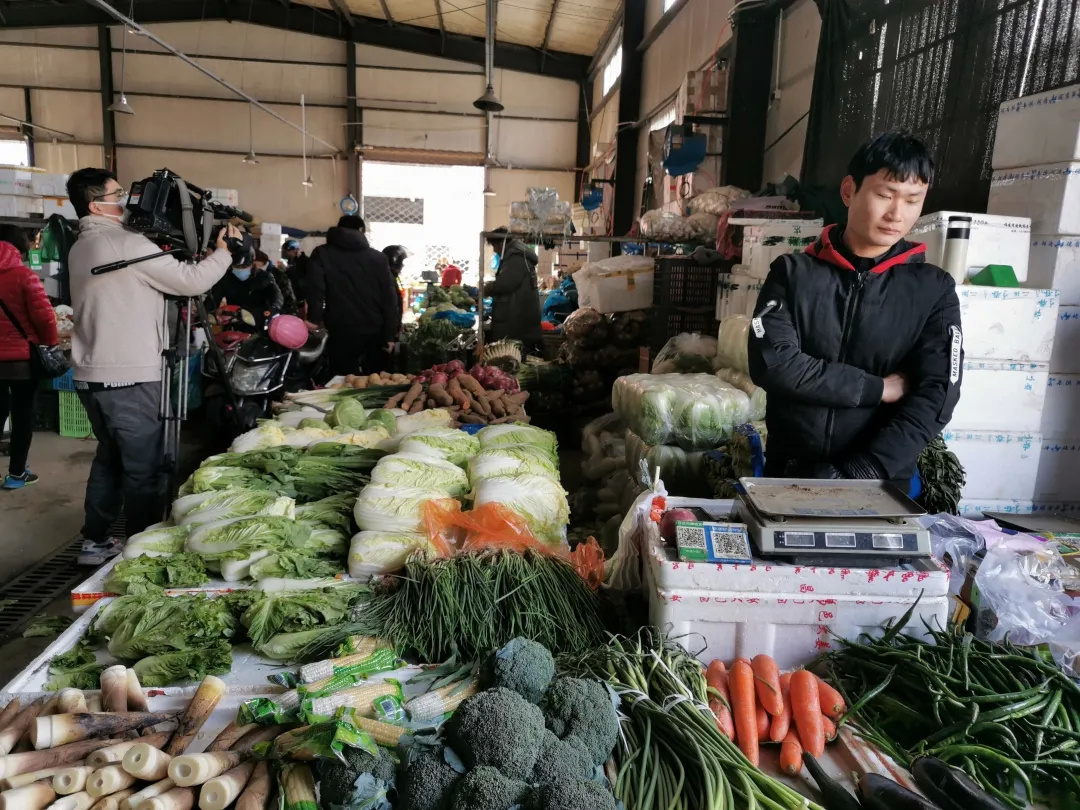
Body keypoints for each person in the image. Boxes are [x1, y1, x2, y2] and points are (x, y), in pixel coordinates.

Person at [747, 131, 963, 494]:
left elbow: (939, 393)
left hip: (881, 484)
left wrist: (862, 469)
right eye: (884, 195)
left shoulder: (933, 290)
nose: (897, 213)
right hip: (790, 475)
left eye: (913, 200)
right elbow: (774, 364)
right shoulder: (792, 273)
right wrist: (877, 388)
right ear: (849, 191)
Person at [66, 168, 239, 565]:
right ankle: (143, 551)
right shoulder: (121, 242)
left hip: (95, 374)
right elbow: (192, 281)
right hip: (127, 375)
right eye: (118, 193)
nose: (126, 199)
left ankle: (96, 541)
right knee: (144, 468)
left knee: (110, 458)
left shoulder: (84, 244)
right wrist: (224, 251)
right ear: (97, 205)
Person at [0, 225, 57, 490]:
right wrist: (50, 343)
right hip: (21, 362)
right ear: (20, 247)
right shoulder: (24, 276)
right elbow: (44, 317)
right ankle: (16, 474)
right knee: (22, 415)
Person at [306, 215, 400, 376]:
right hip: (375, 330)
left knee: (342, 381)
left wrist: (313, 319)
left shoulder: (322, 253)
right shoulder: (378, 258)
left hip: (340, 330)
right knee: (374, 384)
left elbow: (316, 289)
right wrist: (390, 335)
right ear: (361, 230)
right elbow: (390, 299)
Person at [485, 227, 542, 349]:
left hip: (516, 316)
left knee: (511, 353)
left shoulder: (516, 257)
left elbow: (505, 283)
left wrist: (488, 288)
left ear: (501, 243)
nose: (495, 251)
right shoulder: (518, 254)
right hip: (518, 313)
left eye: (495, 247)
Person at [210, 246, 284, 329]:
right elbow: (212, 302)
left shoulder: (264, 277)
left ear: (252, 264)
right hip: (234, 324)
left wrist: (273, 308)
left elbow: (276, 295)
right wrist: (212, 314)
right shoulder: (225, 278)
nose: (241, 270)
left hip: (258, 323)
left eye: (244, 267)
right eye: (237, 267)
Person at [254, 250, 297, 314]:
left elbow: (288, 300)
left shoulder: (278, 276)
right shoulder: (256, 274)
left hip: (278, 314)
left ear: (261, 263)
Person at [382, 245, 407, 340]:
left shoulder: (390, 277)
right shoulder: (388, 279)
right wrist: (391, 335)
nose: (403, 265)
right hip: (387, 335)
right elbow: (391, 307)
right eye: (401, 262)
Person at [282, 239, 310, 310]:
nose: (288, 253)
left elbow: (306, 278)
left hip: (303, 295)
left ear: (296, 250)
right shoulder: (292, 260)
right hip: (294, 294)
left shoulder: (306, 261)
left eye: (289, 251)